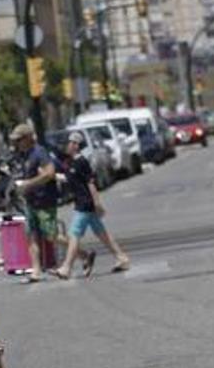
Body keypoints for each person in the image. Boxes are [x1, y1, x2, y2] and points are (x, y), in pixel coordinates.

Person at [53, 130, 130, 279]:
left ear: (75, 145)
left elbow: (91, 183)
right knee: (102, 233)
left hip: (85, 204)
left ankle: (66, 267)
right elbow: (70, 179)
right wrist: (52, 175)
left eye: (68, 143)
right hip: (83, 203)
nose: (66, 146)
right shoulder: (73, 163)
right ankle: (121, 258)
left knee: (73, 234)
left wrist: (97, 202)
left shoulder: (82, 162)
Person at [9, 121, 60, 283]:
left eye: (19, 139)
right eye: (15, 140)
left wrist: (28, 184)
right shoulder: (24, 155)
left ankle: (83, 255)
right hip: (31, 201)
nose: (16, 143)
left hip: (45, 200)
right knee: (31, 236)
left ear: (29, 138)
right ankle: (36, 271)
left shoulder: (40, 153)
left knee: (51, 236)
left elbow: (50, 173)